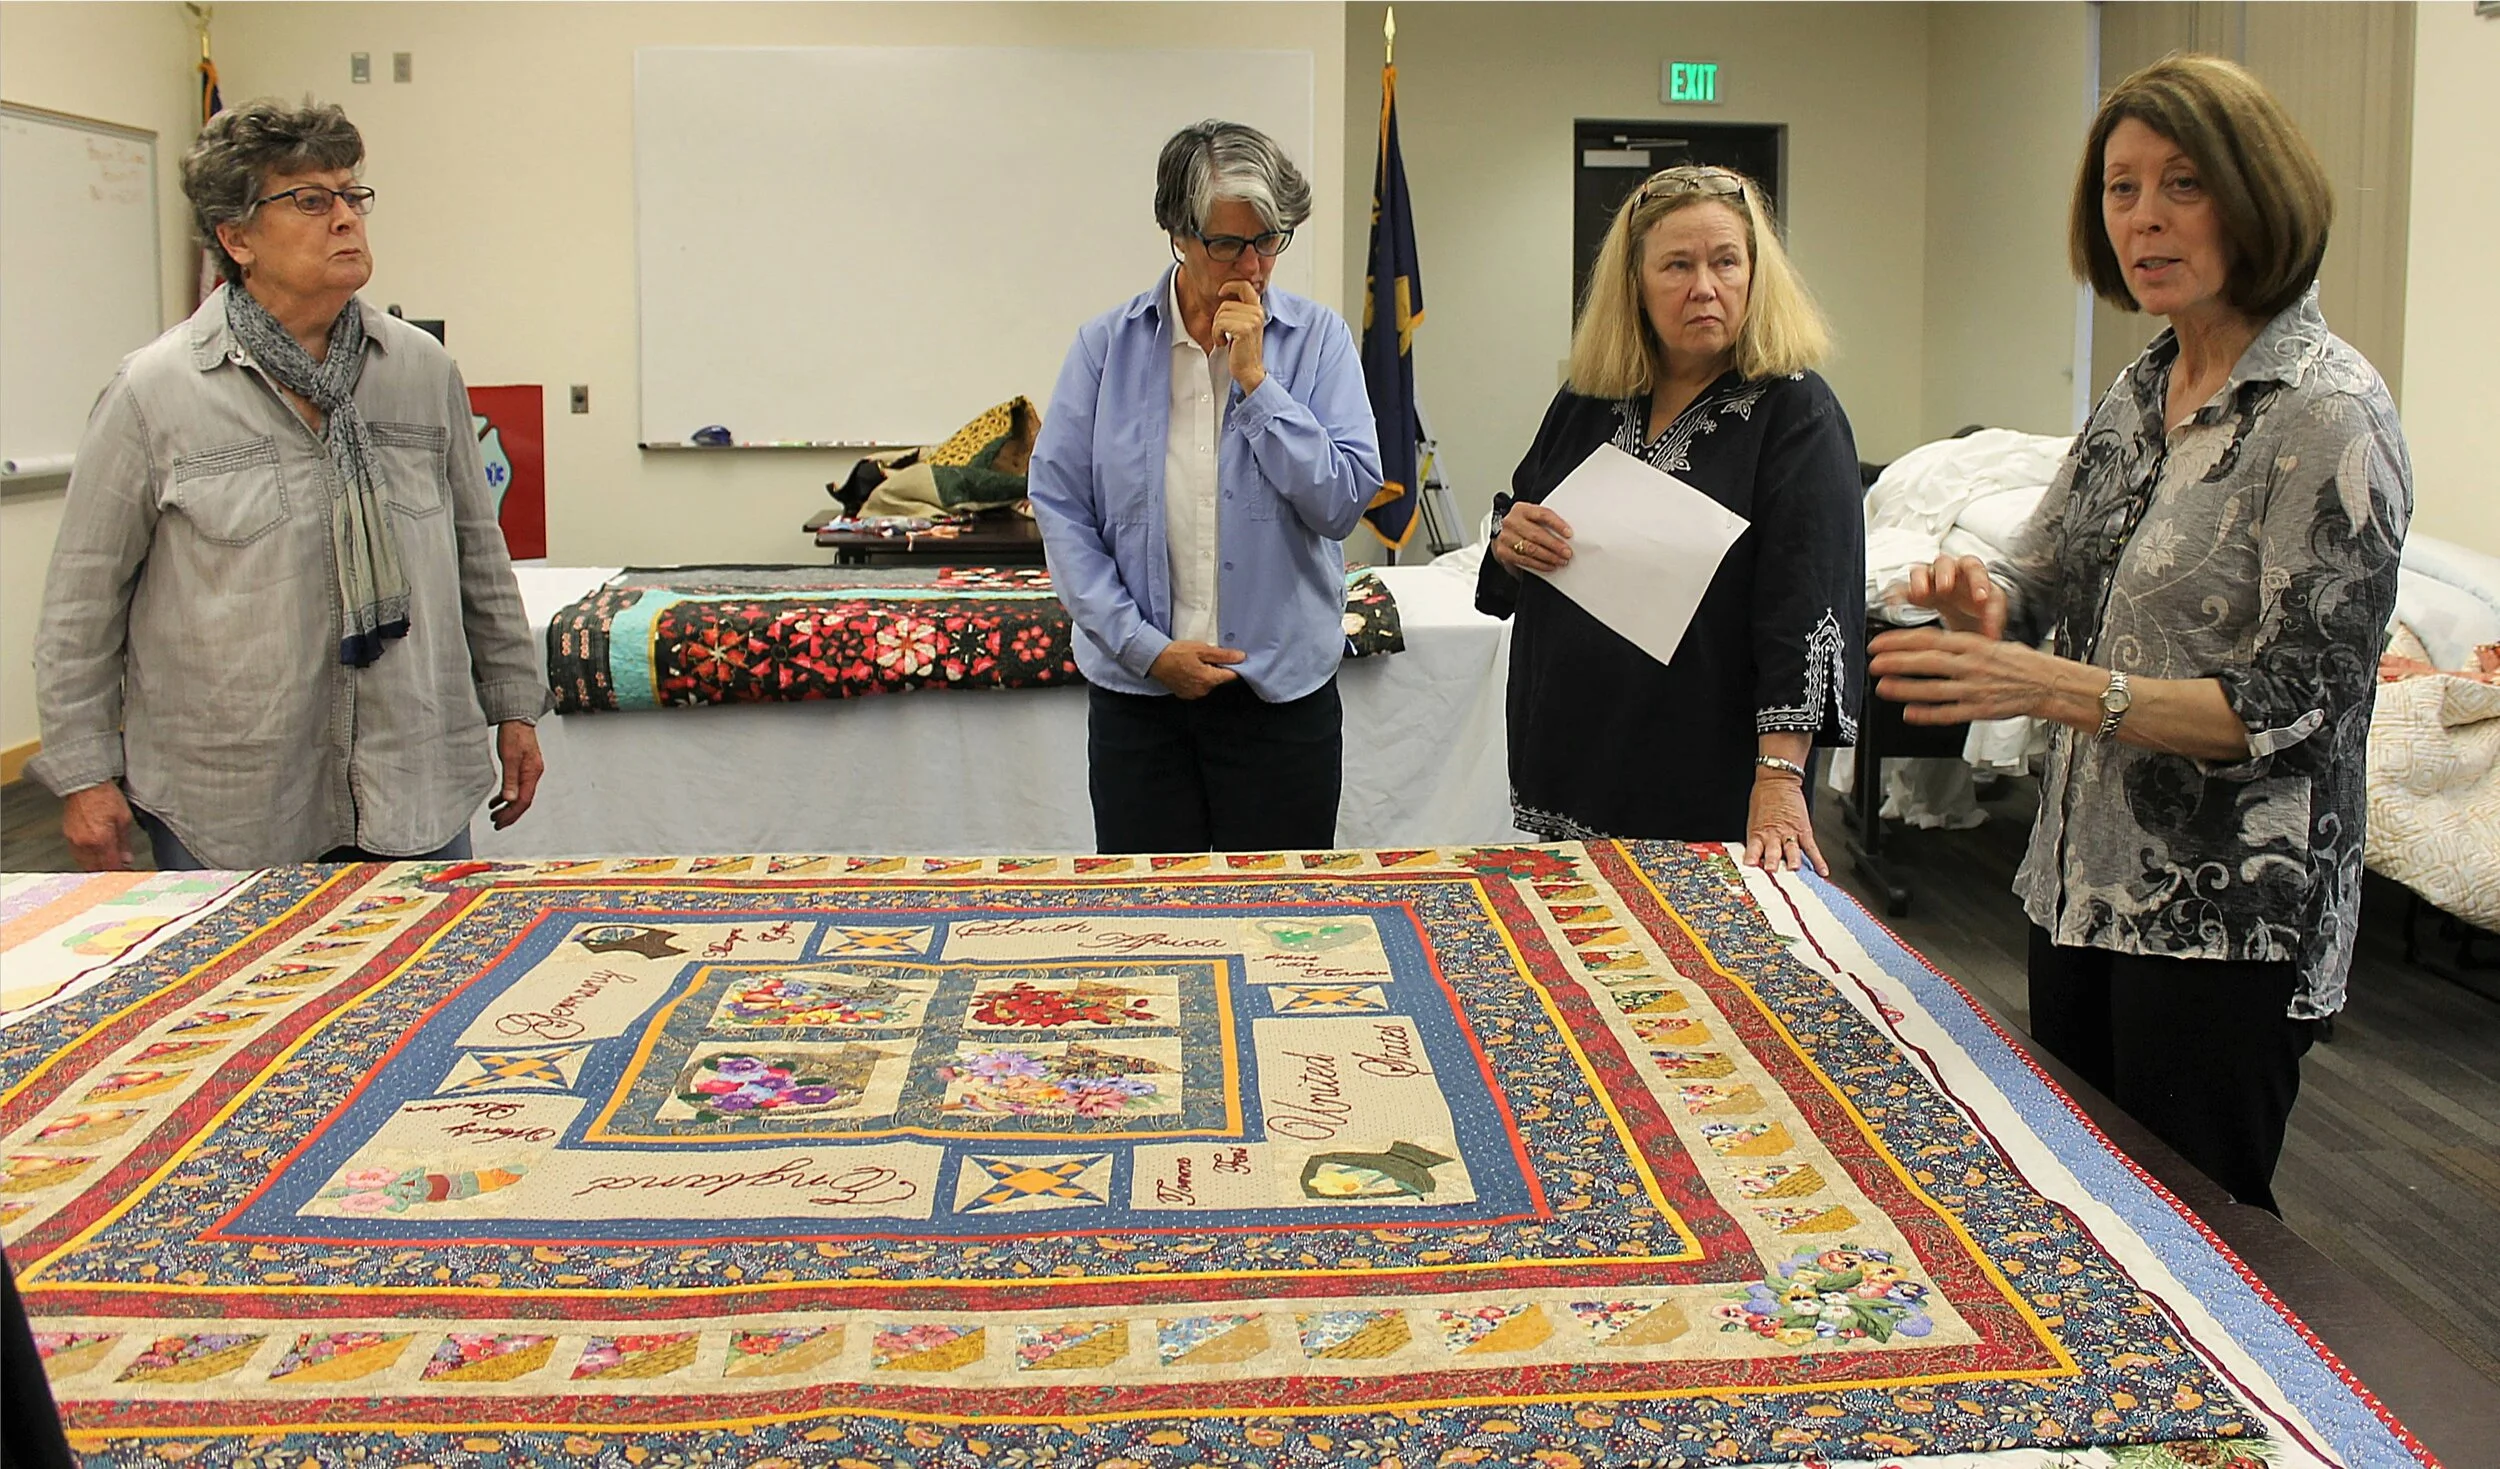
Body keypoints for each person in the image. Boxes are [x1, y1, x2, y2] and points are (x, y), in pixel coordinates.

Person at [1872, 55, 2409, 1214]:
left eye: (2182, 184)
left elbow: (2291, 705)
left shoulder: (2324, 414)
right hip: (2079, 887)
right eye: (2120, 189)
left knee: (2199, 1249)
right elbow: (2046, 560)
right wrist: (1988, 601)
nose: (2144, 218)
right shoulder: (2142, 383)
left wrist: (2057, 684)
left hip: (2227, 927)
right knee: (2086, 1224)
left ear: (2257, 196)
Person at [30, 99, 546, 871]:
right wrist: (83, 772)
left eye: (351, 195)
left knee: (435, 985)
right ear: (236, 238)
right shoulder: (155, 393)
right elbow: (81, 602)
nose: (345, 218)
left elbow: (479, 554)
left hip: (413, 783)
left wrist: (514, 704)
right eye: (310, 200)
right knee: (247, 994)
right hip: (232, 802)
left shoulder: (419, 371)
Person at [1476, 165, 1864, 871]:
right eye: (1677, 265)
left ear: (1756, 274)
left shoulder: (1795, 411)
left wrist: (1779, 776)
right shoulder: (1587, 399)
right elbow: (1521, 519)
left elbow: (1808, 603)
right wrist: (1510, 542)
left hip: (1704, 774)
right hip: (1574, 759)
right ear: (1636, 284)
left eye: (1726, 262)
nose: (1705, 287)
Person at [1029, 120, 1382, 854]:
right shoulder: (1106, 348)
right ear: (1177, 234)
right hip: (1141, 703)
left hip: (1280, 699)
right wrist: (1144, 648)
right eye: (1228, 243)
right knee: (1151, 926)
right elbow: (1061, 508)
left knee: (1282, 923)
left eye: (1269, 241)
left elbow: (1344, 500)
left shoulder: (1318, 342)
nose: (1251, 266)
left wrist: (1257, 383)